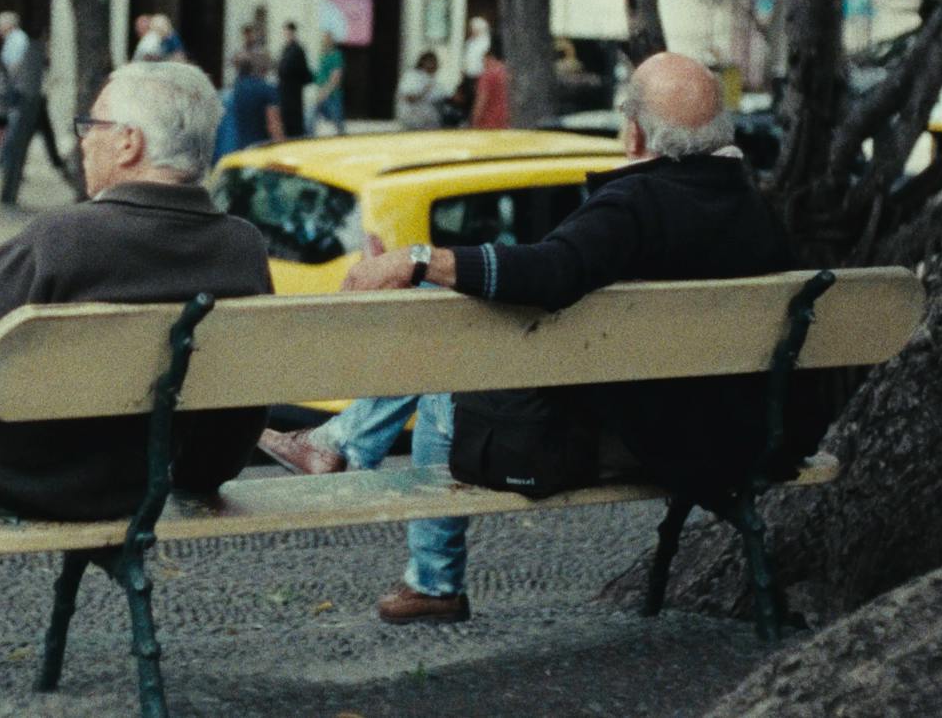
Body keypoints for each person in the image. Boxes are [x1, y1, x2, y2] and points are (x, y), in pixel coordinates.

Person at [292, 53, 795, 625]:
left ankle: (428, 573)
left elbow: (550, 273)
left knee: (440, 392)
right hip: (738, 434)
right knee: (451, 333)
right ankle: (339, 444)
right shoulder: (752, 210)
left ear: (632, 131)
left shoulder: (635, 205)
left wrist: (418, 259)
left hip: (634, 441)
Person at [0, 61, 270, 691]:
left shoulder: (61, 238)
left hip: (32, 478)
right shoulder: (243, 247)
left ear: (129, 143)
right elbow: (239, 414)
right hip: (142, 480)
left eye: (93, 122)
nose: (83, 136)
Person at [0, 12, 67, 207]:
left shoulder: (22, 43)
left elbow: (15, 68)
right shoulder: (33, 48)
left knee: (18, 142)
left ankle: (9, 190)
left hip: (28, 98)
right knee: (21, 143)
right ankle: (9, 190)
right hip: (31, 98)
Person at [214, 51, 284, 159]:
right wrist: (282, 151)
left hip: (238, 148)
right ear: (266, 69)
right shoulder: (268, 90)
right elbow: (274, 125)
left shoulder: (237, 88)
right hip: (261, 149)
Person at [395, 51, 447, 130]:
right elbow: (409, 98)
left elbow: (443, 97)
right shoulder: (412, 75)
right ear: (423, 62)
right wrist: (424, 91)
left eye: (435, 62)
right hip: (412, 119)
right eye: (432, 62)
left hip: (429, 122)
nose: (435, 65)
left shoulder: (432, 79)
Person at [276, 21, 311, 139]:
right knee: (286, 124)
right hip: (285, 93)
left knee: (294, 125)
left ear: (292, 32)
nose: (286, 34)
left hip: (293, 93)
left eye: (288, 31)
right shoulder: (286, 49)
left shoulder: (297, 50)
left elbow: (303, 72)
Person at [311, 30, 346, 135]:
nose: (324, 41)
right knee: (311, 118)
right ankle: (308, 137)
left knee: (337, 121)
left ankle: (343, 139)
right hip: (321, 92)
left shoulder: (336, 56)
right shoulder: (323, 56)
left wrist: (325, 92)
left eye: (326, 39)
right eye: (323, 39)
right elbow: (319, 75)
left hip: (332, 95)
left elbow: (336, 77)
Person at [470, 41, 510, 129]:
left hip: (488, 125)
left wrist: (474, 121)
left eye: (483, 60)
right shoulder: (507, 73)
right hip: (505, 123)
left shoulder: (487, 75)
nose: (483, 64)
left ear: (489, 57)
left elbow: (481, 100)